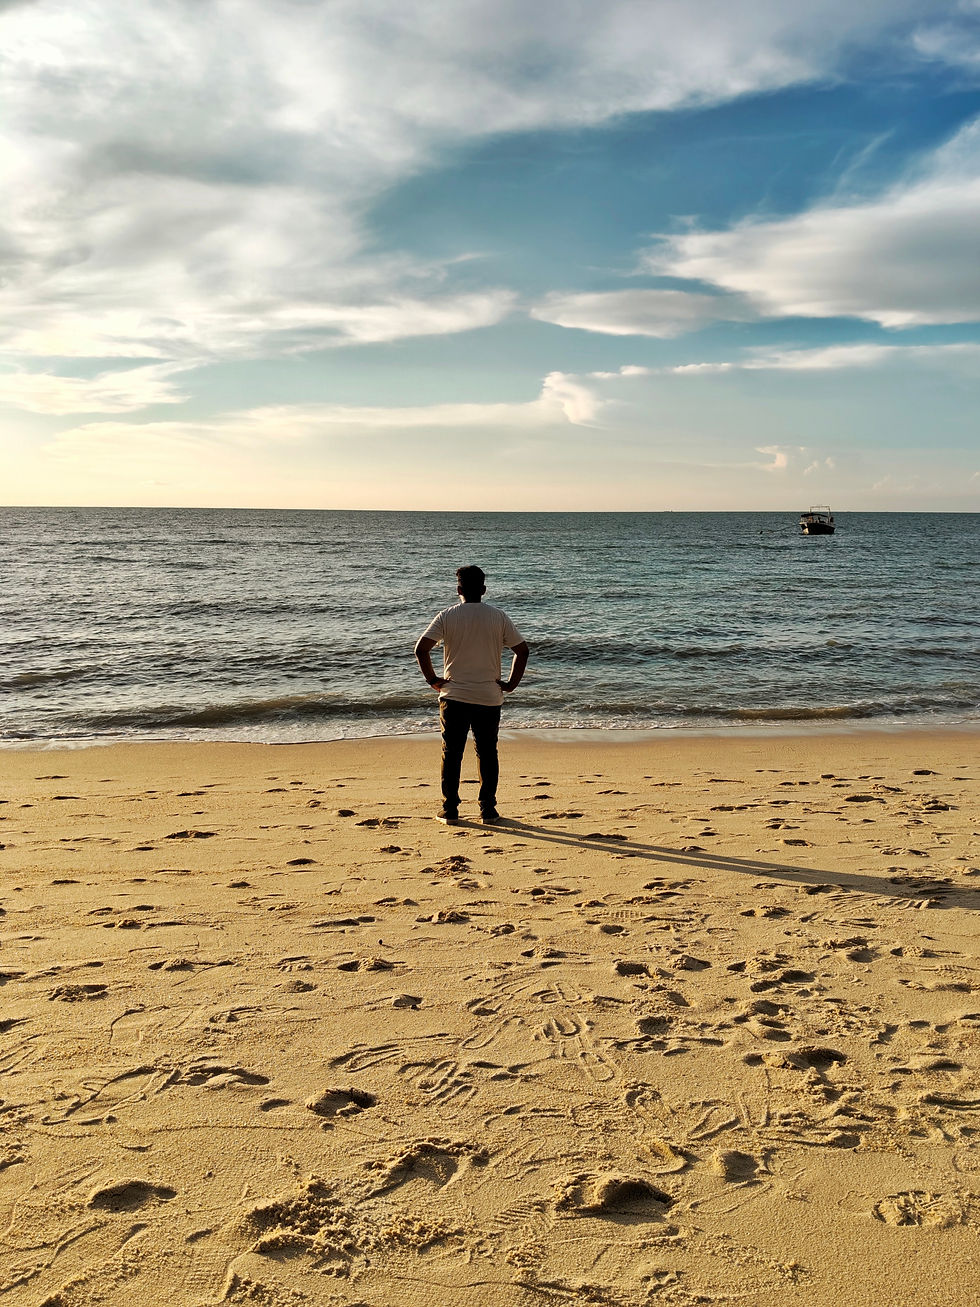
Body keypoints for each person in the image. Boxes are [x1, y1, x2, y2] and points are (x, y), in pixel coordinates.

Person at [415, 565, 529, 825]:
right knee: (487, 752)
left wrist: (432, 680)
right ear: (484, 590)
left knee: (452, 752)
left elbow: (421, 649)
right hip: (488, 697)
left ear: (458, 590)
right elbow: (522, 651)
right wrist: (511, 683)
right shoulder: (498, 617)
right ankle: (488, 810)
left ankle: (450, 810)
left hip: (453, 696)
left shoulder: (446, 616)